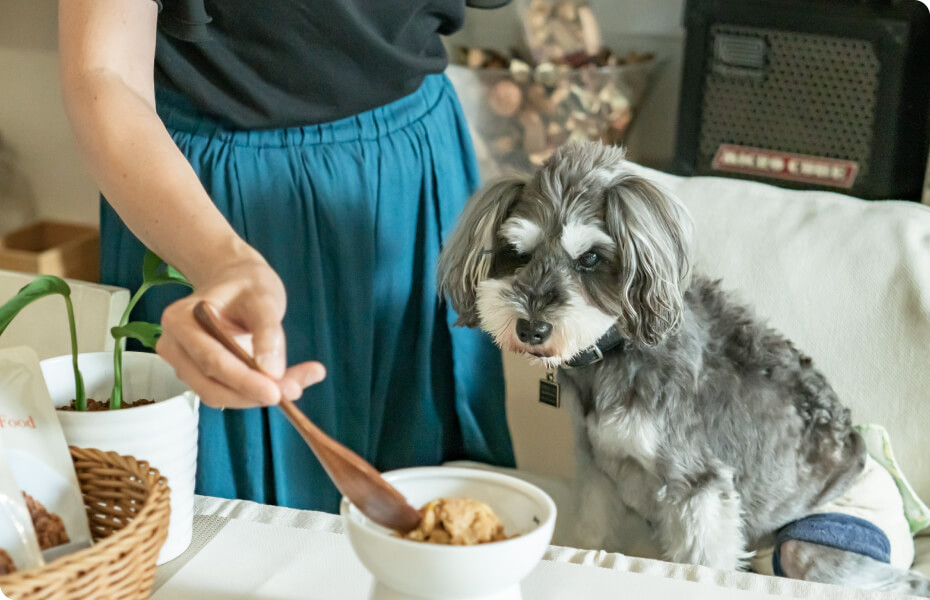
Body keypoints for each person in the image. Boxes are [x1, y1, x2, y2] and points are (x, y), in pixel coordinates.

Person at [59, 0, 515, 513]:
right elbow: (105, 71)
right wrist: (220, 262)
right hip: (206, 196)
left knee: (439, 516)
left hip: (413, 170)